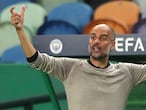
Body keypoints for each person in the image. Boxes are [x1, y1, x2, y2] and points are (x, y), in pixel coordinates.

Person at [10, 5, 146, 110]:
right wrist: (20, 31)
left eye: (103, 38)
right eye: (93, 37)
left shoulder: (126, 71)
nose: (96, 41)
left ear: (112, 45)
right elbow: (36, 60)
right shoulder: (71, 67)